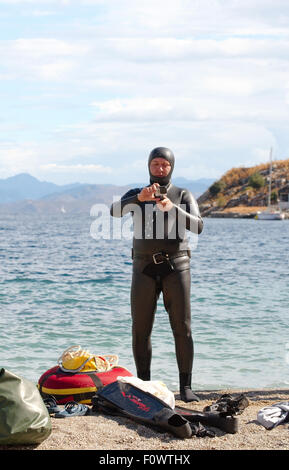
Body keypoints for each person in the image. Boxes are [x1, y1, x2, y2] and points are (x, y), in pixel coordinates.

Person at [110, 147, 204, 402]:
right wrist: (138, 199)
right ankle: (143, 384)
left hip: (177, 267)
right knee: (140, 328)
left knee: (182, 328)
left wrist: (172, 208)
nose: (160, 169)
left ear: (172, 167)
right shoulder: (137, 193)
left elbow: (198, 226)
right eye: (156, 164)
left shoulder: (182, 194)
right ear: (149, 166)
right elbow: (114, 211)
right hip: (143, 268)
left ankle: (186, 387)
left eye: (165, 165)